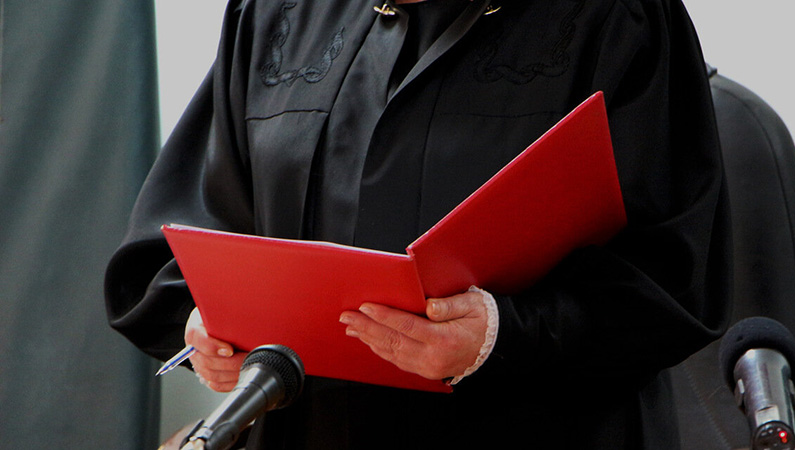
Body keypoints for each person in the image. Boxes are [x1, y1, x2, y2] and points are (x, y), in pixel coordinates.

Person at [105, 0, 731, 448]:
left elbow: (677, 272)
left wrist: (501, 334)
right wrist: (207, 325)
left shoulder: (618, 16)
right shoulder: (275, 12)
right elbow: (177, 239)